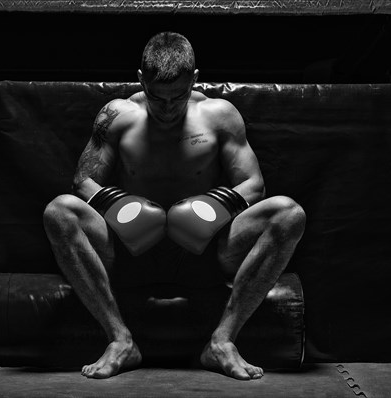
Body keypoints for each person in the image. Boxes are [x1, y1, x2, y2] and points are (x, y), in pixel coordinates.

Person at [43, 32, 306, 380]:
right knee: (59, 212)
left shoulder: (219, 115)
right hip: (132, 248)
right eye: (157, 96)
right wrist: (127, 209)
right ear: (140, 80)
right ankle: (120, 340)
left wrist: (209, 208)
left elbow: (253, 183)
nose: (167, 108)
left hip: (204, 248)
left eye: (178, 96)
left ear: (195, 79)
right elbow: (83, 181)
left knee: (289, 213)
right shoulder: (118, 114)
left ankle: (222, 342)